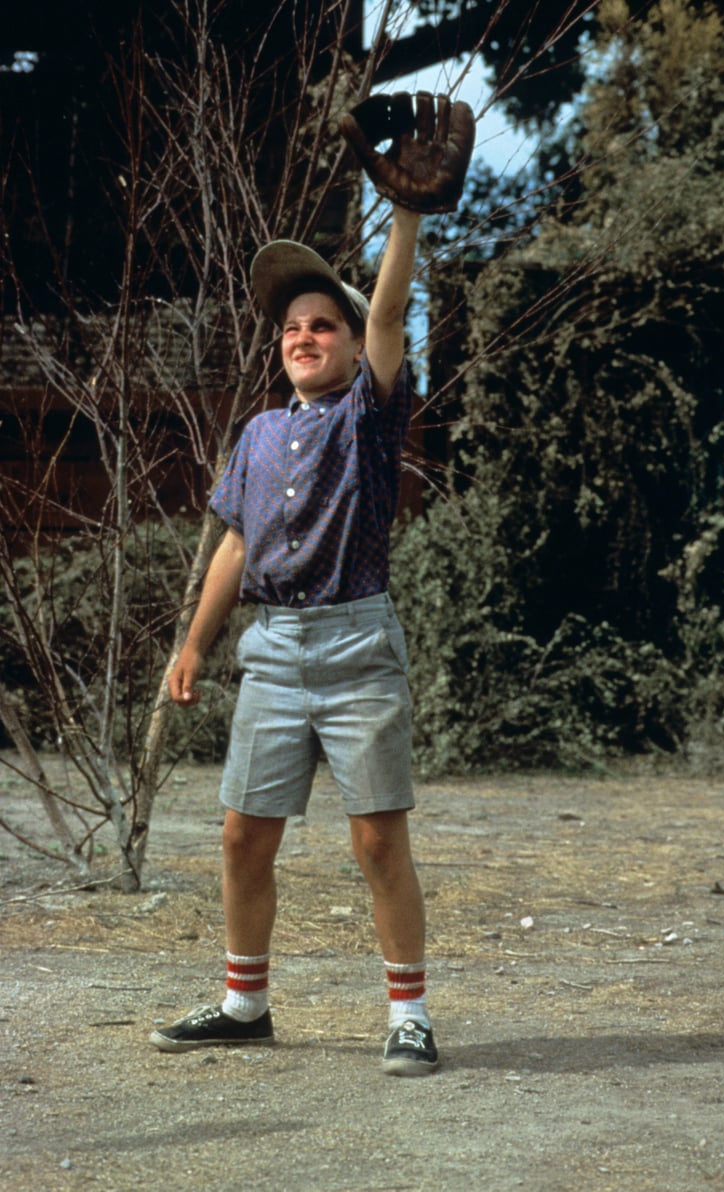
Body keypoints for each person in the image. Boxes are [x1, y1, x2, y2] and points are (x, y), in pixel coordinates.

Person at [148, 91, 474, 1076]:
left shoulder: (366, 416)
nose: (305, 334)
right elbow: (236, 547)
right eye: (292, 325)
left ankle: (409, 1013)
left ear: (346, 338)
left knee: (377, 841)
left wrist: (405, 215)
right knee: (244, 836)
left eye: (322, 322)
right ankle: (246, 1002)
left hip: (358, 647)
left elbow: (388, 317)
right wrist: (194, 642)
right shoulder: (258, 433)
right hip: (274, 653)